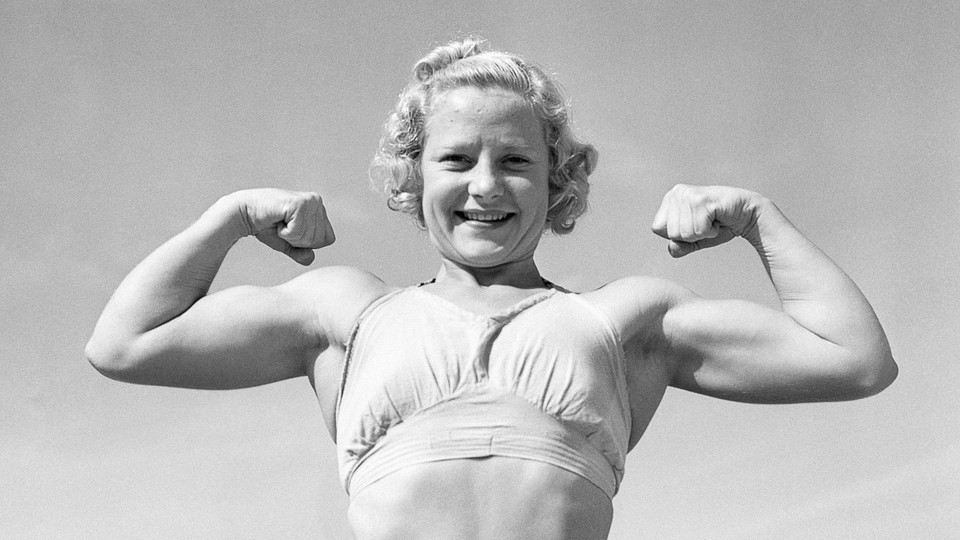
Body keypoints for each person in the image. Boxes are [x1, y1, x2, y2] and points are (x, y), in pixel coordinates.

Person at [86, 38, 897, 540]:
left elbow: (856, 361)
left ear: (558, 181)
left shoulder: (624, 321)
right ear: (412, 175)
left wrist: (759, 217)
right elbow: (125, 344)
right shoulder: (346, 313)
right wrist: (227, 218)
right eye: (456, 158)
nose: (486, 184)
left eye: (515, 161)